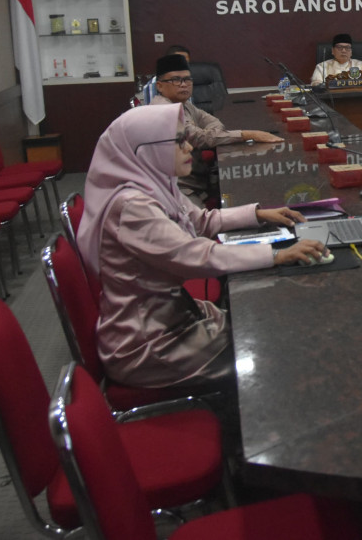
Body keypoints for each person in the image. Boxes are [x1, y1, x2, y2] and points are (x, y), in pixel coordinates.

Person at [77, 104, 329, 388]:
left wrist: (257, 214)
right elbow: (194, 256)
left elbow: (199, 220)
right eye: (178, 141)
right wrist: (277, 255)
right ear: (145, 150)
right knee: (272, 348)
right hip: (150, 344)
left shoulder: (153, 184)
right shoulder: (132, 207)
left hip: (174, 316)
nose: (189, 149)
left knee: (270, 326)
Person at [151, 53, 283, 203]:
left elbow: (212, 121)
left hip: (197, 179)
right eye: (176, 80)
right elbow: (200, 138)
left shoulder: (184, 104)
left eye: (187, 79)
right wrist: (248, 134)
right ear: (159, 86)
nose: (183, 84)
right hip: (177, 189)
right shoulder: (163, 111)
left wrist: (211, 133)